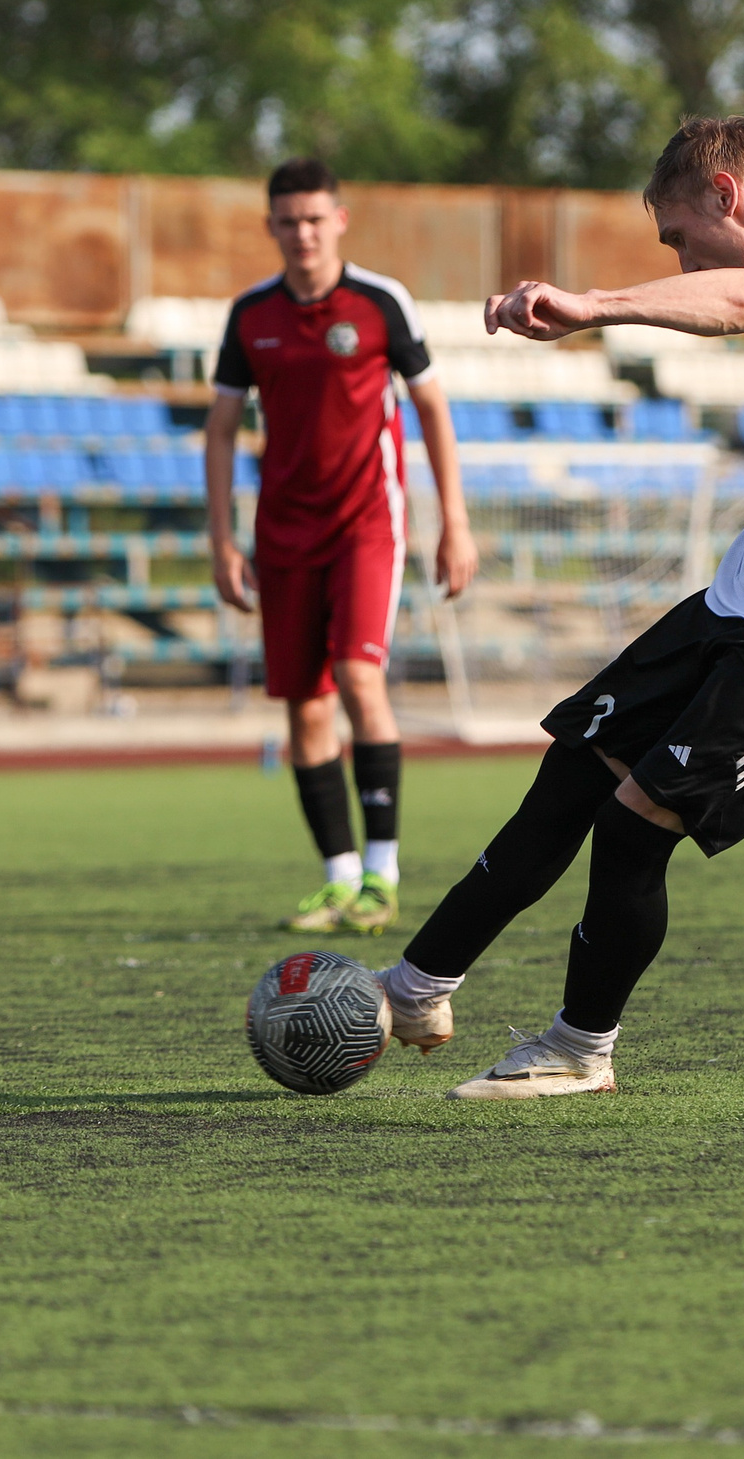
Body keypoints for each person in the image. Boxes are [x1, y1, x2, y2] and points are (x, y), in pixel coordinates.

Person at [374, 116, 744, 1100]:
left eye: (680, 235)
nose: (680, 260)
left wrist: (594, 305)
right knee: (572, 773)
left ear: (728, 193)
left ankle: (579, 1049)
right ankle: (417, 985)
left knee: (635, 826)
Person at [204, 157, 478, 937]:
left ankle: (383, 875)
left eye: (315, 219)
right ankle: (339, 879)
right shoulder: (250, 315)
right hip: (281, 533)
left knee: (359, 675)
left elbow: (431, 407)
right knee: (305, 707)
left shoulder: (381, 302)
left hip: (367, 524)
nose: (303, 233)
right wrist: (221, 538)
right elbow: (220, 429)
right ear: (271, 226)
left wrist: (454, 520)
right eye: (289, 221)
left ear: (340, 220)